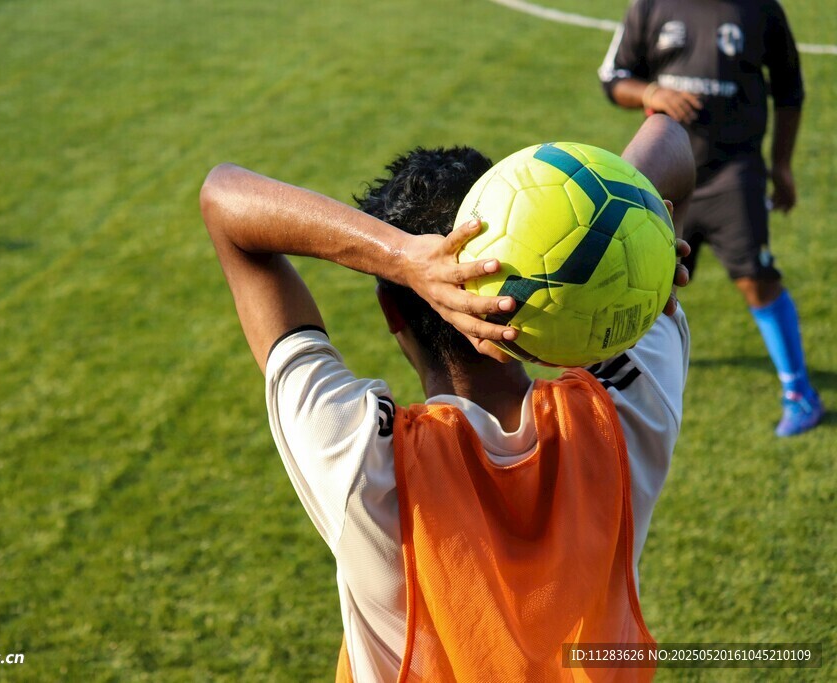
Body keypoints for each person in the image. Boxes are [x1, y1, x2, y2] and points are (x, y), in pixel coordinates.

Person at [201, 115, 693, 681]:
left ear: (392, 313)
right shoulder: (628, 407)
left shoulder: (361, 459)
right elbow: (670, 137)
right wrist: (632, 227)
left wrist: (400, 258)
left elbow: (224, 198)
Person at [598, 0, 822, 437]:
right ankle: (607, 393)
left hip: (733, 174)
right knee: (640, 282)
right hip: (664, 173)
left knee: (755, 277)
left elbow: (790, 90)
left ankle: (800, 393)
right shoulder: (650, 5)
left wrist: (782, 165)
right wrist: (650, 93)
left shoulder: (761, 9)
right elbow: (613, 78)